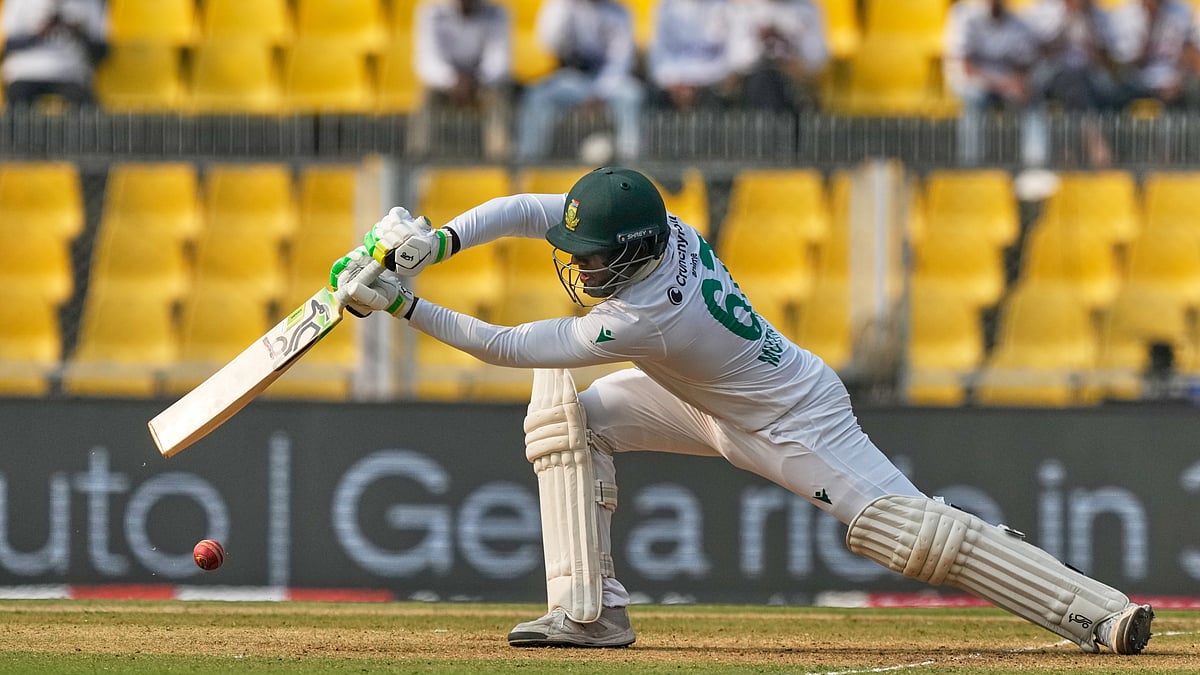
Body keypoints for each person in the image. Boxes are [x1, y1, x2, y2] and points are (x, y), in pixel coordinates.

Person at [328, 166, 1154, 654]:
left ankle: (1099, 612)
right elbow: (526, 209)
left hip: (796, 421)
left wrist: (403, 305)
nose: (582, 269)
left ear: (635, 254)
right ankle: (591, 613)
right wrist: (436, 244)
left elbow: (509, 346)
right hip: (702, 400)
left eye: (595, 259)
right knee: (569, 420)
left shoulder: (646, 314)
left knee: (910, 535)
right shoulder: (664, 227)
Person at [514, 0, 645, 162]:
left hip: (609, 81)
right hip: (573, 78)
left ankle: (630, 162)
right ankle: (529, 162)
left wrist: (599, 93)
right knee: (538, 95)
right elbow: (550, 43)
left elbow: (620, 62)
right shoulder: (562, 6)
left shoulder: (619, 12)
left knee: (631, 95)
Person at [944, 0, 1047, 168]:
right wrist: (1004, 84)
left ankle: (1035, 165)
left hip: (1005, 84)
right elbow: (967, 68)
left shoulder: (1017, 22)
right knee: (974, 97)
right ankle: (971, 165)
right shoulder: (964, 14)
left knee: (1031, 97)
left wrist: (1020, 84)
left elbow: (1023, 65)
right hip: (973, 82)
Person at [1021, 0, 1121, 165]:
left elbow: (1107, 57)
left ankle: (1069, 149)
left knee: (1106, 90)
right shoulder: (1043, 10)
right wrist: (1067, 17)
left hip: (1089, 74)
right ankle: (1093, 141)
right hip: (1052, 71)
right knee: (1072, 83)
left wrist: (1088, 21)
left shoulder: (1099, 15)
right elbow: (1040, 51)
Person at [412, 0, 513, 160]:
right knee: (427, 99)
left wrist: (474, 80)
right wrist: (453, 80)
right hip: (445, 87)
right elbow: (427, 63)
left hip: (481, 85)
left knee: (499, 101)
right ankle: (418, 163)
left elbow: (499, 63)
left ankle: (501, 163)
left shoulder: (497, 13)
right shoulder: (432, 13)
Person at [725, 0, 829, 113]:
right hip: (752, 88)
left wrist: (784, 62)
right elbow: (734, 69)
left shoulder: (806, 9)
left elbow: (815, 65)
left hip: (790, 87)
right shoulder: (742, 11)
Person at [1, 0, 108, 109]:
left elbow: (101, 52)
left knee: (86, 109)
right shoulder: (18, 2)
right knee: (18, 103)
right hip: (25, 73)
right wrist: (40, 33)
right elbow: (9, 45)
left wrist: (76, 33)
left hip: (70, 75)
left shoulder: (90, 3)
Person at [1106, 0, 1199, 110]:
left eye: (1153, 60)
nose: (1159, 55)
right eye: (1166, 58)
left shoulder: (1124, 44)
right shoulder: (1183, 17)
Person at [646, 0, 737, 111]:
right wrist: (672, 80)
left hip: (711, 77)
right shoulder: (666, 7)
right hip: (675, 77)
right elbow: (658, 54)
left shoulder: (723, 5)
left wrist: (699, 79)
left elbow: (729, 55)